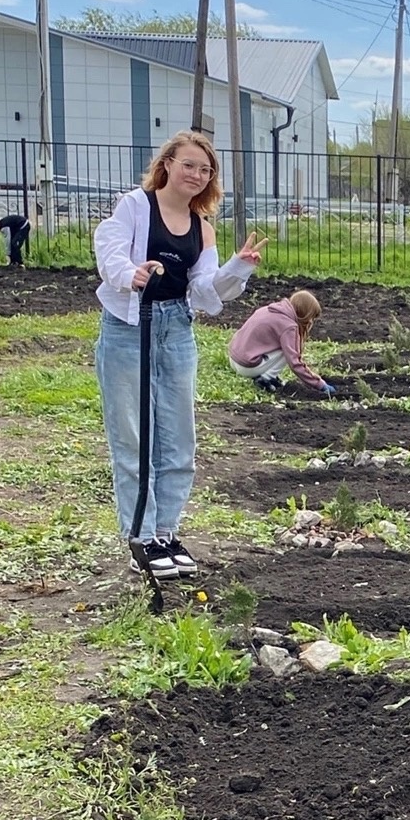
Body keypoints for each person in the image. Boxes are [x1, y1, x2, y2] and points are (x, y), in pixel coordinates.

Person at [93, 131, 264, 586]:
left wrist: (238, 267)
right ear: (167, 163)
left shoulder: (201, 226)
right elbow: (107, 248)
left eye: (206, 170)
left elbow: (206, 293)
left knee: (179, 441)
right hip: (130, 329)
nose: (197, 175)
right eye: (189, 165)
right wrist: (131, 274)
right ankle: (141, 539)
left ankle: (166, 534)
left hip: (175, 331)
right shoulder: (136, 207)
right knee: (134, 440)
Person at [227, 289, 333, 396]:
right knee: (288, 349)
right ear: (305, 313)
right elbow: (295, 363)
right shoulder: (288, 326)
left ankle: (268, 375)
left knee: (281, 344)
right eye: (311, 318)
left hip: (233, 359)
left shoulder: (268, 309)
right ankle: (265, 379)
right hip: (247, 367)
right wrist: (319, 384)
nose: (311, 322)